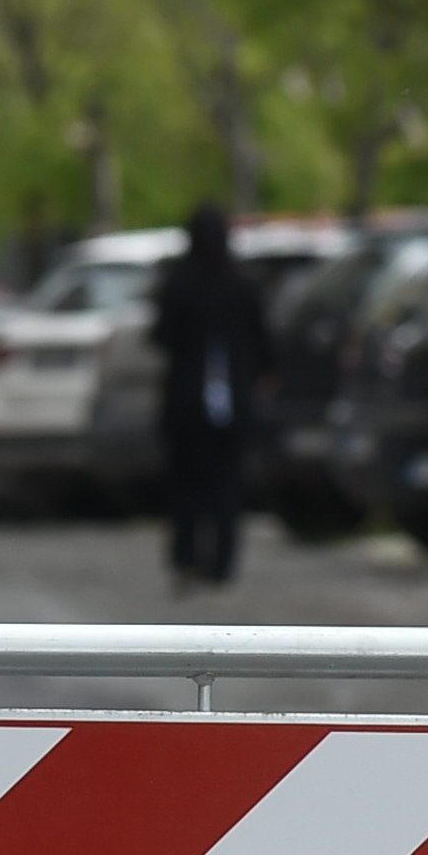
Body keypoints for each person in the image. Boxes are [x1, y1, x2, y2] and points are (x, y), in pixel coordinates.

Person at [151, 205, 274, 592]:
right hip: (232, 403)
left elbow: (161, 336)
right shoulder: (241, 283)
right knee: (226, 483)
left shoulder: (179, 283)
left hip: (186, 403)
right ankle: (221, 562)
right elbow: (263, 342)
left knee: (186, 484)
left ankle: (187, 557)